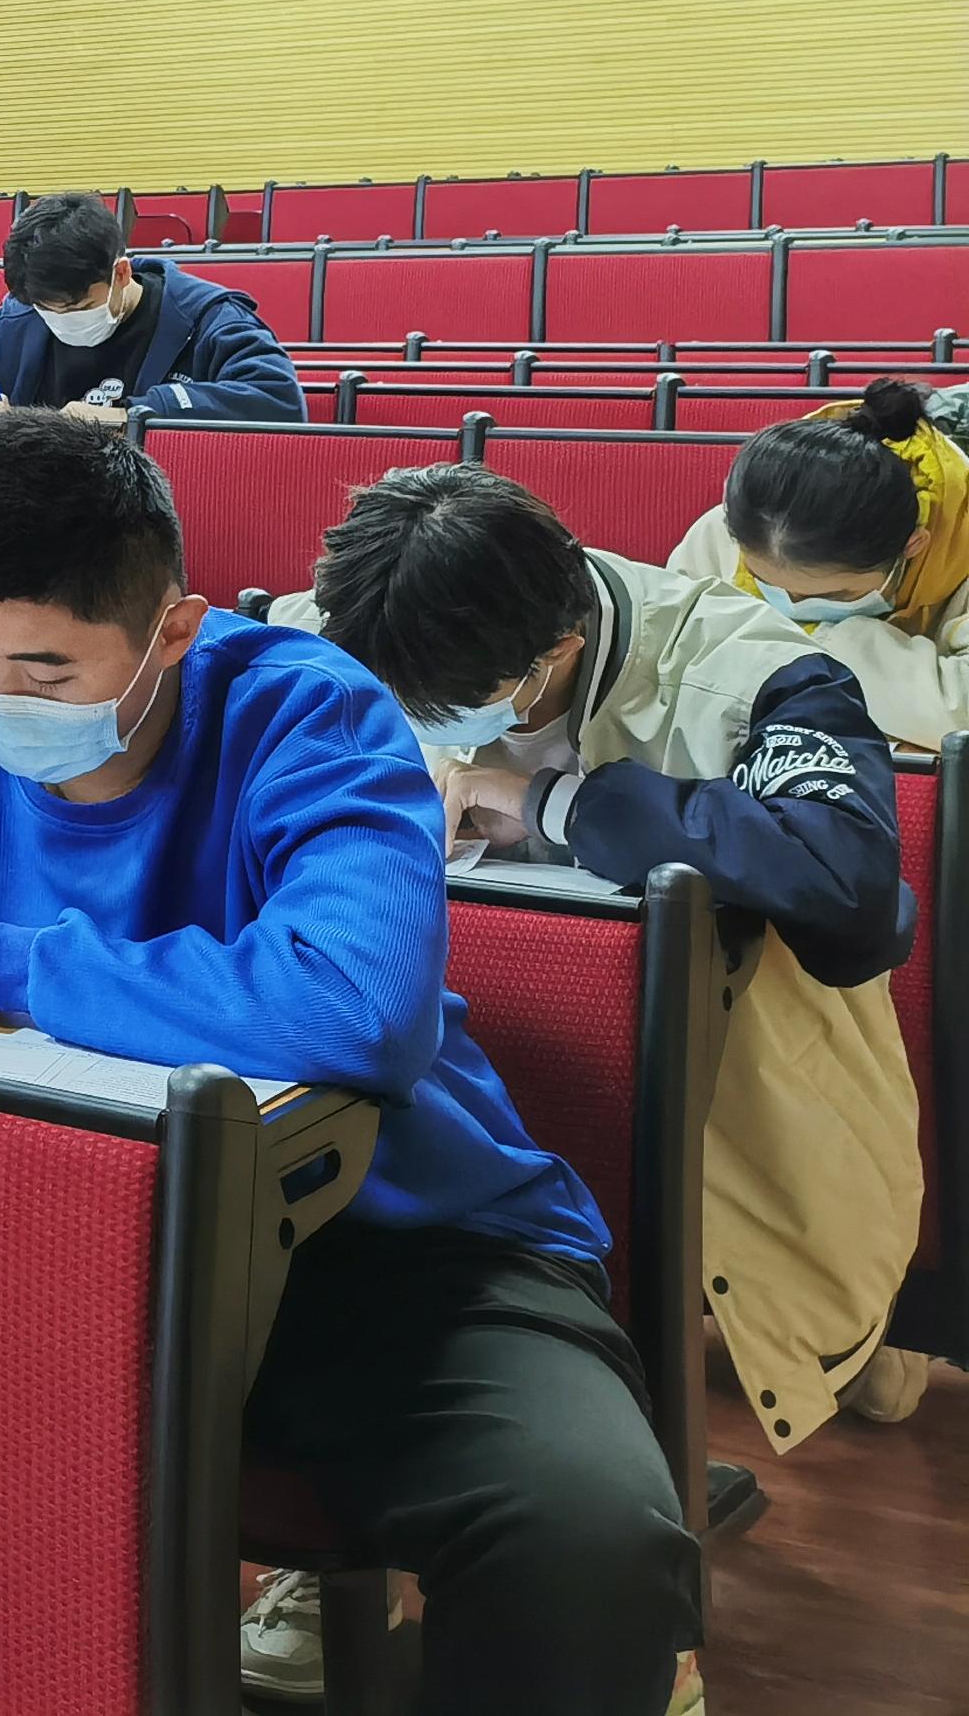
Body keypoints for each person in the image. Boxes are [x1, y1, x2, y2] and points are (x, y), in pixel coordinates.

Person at [0, 414, 692, 1716]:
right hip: (28, 1271)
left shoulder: (309, 715)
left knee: (586, 1539)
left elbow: (355, 1003)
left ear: (173, 630)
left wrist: (0, 961)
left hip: (387, 1258)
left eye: (46, 670)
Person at [293, 464, 929, 1466]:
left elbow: (851, 891)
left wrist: (559, 807)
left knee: (853, 1375)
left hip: (735, 1085)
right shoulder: (339, 632)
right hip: (466, 1056)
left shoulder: (749, 668)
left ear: (558, 650)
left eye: (450, 708)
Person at [667, 378, 969, 749]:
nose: (793, 606)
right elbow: (671, 665)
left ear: (913, 546)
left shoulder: (959, 540)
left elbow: (961, 713)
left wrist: (817, 643)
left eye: (835, 595)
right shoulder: (736, 527)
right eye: (764, 582)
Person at [0, 191, 303, 421]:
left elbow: (279, 400)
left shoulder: (208, 319)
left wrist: (134, 415)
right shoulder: (14, 321)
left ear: (121, 273)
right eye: (49, 310)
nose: (62, 320)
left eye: (78, 307)